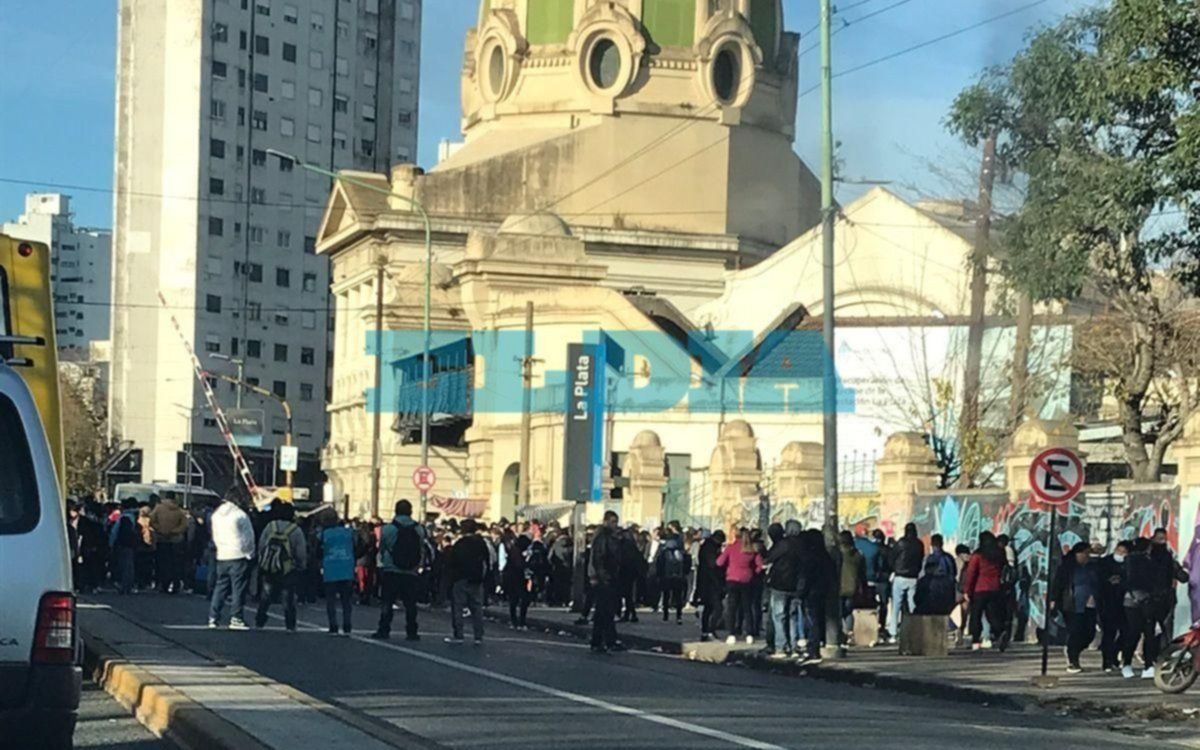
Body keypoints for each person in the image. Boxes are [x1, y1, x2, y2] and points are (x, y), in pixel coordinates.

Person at [370, 500, 429, 641]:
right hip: (411, 570)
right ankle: (412, 631)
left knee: (388, 602)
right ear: (410, 511)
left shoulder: (388, 529)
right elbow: (421, 549)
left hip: (391, 569)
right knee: (410, 604)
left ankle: (384, 629)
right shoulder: (419, 529)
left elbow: (382, 548)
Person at [254, 503, 307, 632]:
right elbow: (301, 552)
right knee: (288, 597)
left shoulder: (270, 526)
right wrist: (301, 565)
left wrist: (262, 560)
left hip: (269, 566)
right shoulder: (295, 530)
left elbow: (261, 545)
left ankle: (259, 621)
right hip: (287, 568)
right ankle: (290, 625)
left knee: (266, 595)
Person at [208, 489, 255, 630]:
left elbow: (214, 535)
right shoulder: (240, 515)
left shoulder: (216, 515)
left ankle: (213, 616)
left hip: (222, 554)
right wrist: (249, 553)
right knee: (238, 588)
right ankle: (236, 618)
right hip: (238, 555)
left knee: (220, 586)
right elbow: (248, 538)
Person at [1051, 541, 1099, 673]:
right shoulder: (1068, 567)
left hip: (1090, 603)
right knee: (1075, 631)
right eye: (1084, 553)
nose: (1087, 556)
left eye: (1088, 553)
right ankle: (1073, 659)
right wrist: (1053, 599)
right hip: (1072, 604)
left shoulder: (1092, 567)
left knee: (1089, 633)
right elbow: (1058, 583)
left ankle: (1075, 649)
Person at [445, 519, 490, 645]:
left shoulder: (460, 543)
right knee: (477, 608)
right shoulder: (481, 543)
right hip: (476, 579)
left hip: (461, 578)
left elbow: (451, 561)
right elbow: (487, 560)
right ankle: (478, 635)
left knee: (458, 607)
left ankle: (459, 634)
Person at [963, 531, 1010, 651]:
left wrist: (967, 591)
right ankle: (1000, 632)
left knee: (976, 615)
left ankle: (975, 641)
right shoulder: (999, 553)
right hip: (995, 588)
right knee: (993, 614)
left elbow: (971, 574)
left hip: (980, 589)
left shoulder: (978, 555)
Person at [717, 528, 764, 645]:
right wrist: (752, 572)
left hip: (732, 579)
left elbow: (719, 562)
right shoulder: (751, 549)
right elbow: (760, 565)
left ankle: (732, 634)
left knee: (732, 608)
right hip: (747, 580)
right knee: (747, 608)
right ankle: (749, 634)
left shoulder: (731, 548)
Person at [1122, 537, 1158, 679]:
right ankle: (1147, 665)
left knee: (1134, 632)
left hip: (1132, 599)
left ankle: (1127, 664)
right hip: (1143, 597)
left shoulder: (1129, 560)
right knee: (1147, 633)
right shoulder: (1148, 561)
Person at [764, 521, 802, 657]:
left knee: (779, 617)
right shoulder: (802, 545)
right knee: (793, 617)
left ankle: (781, 647)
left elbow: (768, 558)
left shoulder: (783, 545)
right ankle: (793, 646)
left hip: (780, 584)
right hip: (796, 585)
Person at [588, 510, 624, 654]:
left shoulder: (610, 537)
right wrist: (604, 577)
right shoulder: (603, 537)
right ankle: (607, 640)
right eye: (613, 522)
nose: (615, 525)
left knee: (604, 612)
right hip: (605, 579)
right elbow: (599, 558)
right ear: (606, 521)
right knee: (605, 611)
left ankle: (602, 640)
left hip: (609, 577)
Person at [797, 529, 834, 663]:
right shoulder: (825, 556)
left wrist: (801, 592)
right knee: (819, 620)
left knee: (812, 622)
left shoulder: (809, 557)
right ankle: (818, 644)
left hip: (811, 593)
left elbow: (805, 577)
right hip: (823, 591)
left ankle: (813, 649)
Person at [320, 515, 356, 635]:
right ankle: (347, 624)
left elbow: (318, 551)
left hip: (330, 568)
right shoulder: (348, 532)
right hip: (347, 567)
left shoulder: (324, 534)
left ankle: (333, 626)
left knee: (331, 600)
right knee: (346, 600)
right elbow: (358, 546)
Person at [887, 523, 924, 641]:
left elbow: (892, 557)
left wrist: (893, 569)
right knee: (913, 605)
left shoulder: (901, 543)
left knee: (896, 606)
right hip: (913, 577)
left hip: (900, 576)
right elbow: (920, 559)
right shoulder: (919, 544)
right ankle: (914, 631)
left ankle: (893, 633)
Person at [1098, 540, 1129, 672]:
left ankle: (1115, 653)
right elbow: (1098, 580)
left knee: (1126, 632)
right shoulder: (1105, 562)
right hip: (1108, 602)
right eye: (1119, 551)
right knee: (1109, 633)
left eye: (1124, 552)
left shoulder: (1129, 564)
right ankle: (1107, 660)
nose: (1120, 554)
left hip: (1124, 603)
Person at [150, 495, 189, 593]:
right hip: (176, 540)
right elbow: (184, 525)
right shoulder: (179, 510)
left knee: (163, 563)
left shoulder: (158, 508)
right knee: (175, 564)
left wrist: (160, 529)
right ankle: (175, 585)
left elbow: (151, 520)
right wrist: (175, 531)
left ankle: (163, 585)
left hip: (162, 539)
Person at [652, 525, 691, 624]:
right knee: (678, 596)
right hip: (678, 576)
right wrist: (685, 573)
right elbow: (687, 562)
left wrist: (658, 575)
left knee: (666, 595)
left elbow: (659, 563)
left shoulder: (664, 550)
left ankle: (665, 615)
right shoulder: (681, 551)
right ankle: (679, 616)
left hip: (666, 576)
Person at [915, 534, 958, 616]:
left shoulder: (928, 559)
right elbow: (953, 575)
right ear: (942, 543)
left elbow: (917, 598)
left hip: (929, 602)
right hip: (946, 600)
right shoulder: (949, 558)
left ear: (931, 544)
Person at [696, 530, 726, 641]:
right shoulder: (710, 548)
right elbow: (713, 565)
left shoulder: (706, 546)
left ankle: (705, 631)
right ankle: (709, 630)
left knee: (708, 608)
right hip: (712, 582)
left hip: (706, 581)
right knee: (717, 608)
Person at [837, 530, 866, 639]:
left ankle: (841, 634)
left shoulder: (837, 553)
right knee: (849, 611)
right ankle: (849, 632)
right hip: (852, 586)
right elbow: (862, 572)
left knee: (838, 612)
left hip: (838, 586)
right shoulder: (857, 554)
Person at [108, 498, 140, 595]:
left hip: (123, 543)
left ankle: (124, 586)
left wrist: (111, 543)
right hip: (130, 544)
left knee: (124, 565)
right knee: (129, 565)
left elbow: (115, 532)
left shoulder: (125, 517)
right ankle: (128, 585)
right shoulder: (134, 517)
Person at [618, 527, 646, 622]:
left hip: (625, 572)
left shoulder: (623, 545)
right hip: (632, 573)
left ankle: (629, 614)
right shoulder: (632, 546)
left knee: (626, 594)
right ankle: (631, 614)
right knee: (628, 595)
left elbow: (622, 559)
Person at [505, 535, 534, 629]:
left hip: (512, 578)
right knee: (522, 600)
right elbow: (519, 565)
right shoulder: (516, 552)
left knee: (514, 601)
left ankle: (515, 621)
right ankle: (520, 621)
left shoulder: (514, 551)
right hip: (517, 578)